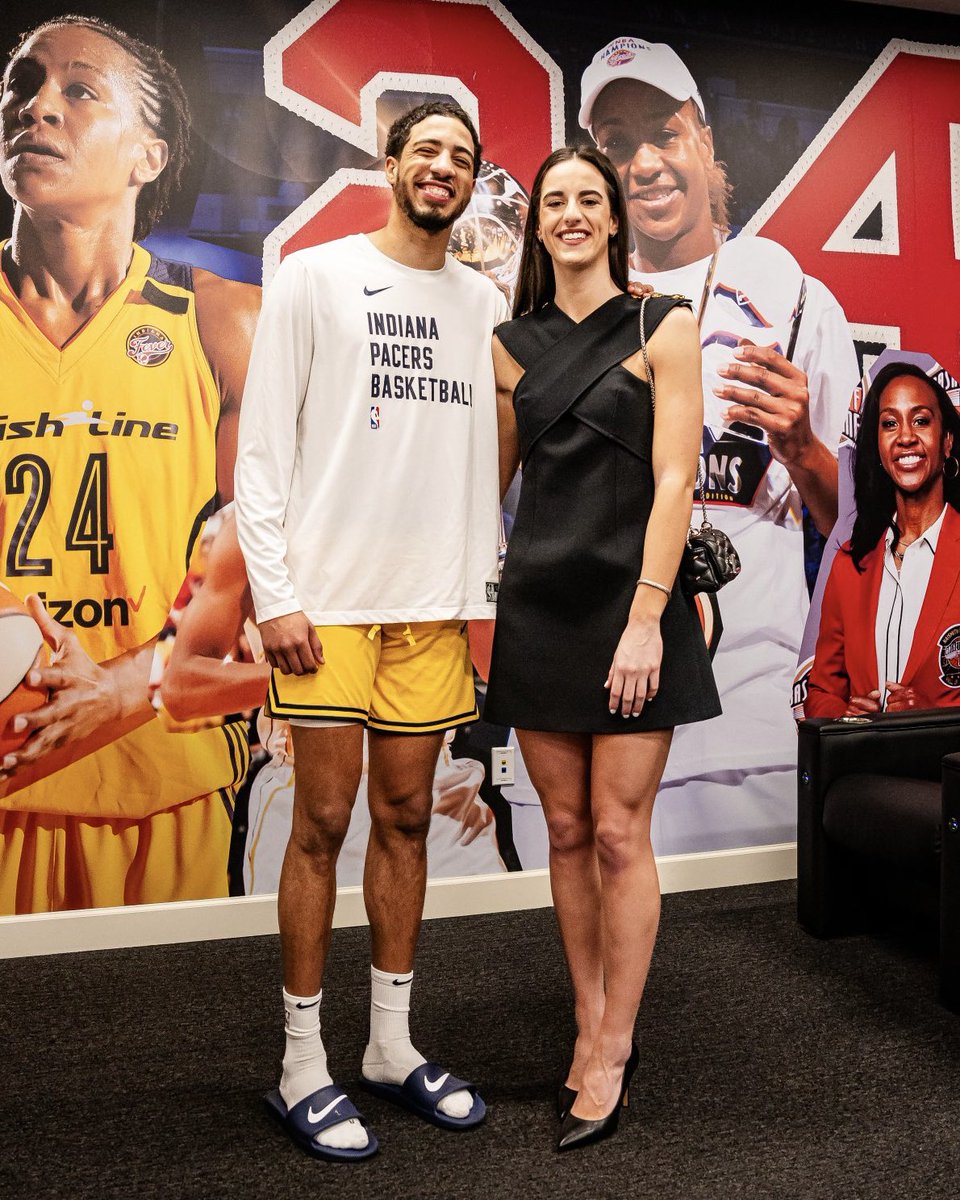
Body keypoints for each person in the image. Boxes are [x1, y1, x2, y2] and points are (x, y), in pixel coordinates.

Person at [233, 100, 509, 1161]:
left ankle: (390, 1047)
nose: (442, 167)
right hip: (327, 604)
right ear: (389, 164)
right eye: (426, 150)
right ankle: (303, 1061)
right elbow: (262, 452)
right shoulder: (315, 275)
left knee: (405, 822)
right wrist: (277, 595)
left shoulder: (483, 301)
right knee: (320, 823)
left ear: (472, 183)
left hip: (429, 604)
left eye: (462, 158)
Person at [484, 145, 720, 1152]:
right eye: (556, 203)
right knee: (567, 832)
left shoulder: (665, 323)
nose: (573, 214)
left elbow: (676, 480)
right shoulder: (507, 342)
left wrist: (644, 618)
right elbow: (490, 491)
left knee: (622, 835)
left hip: (635, 611)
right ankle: (588, 1020)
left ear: (616, 220)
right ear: (537, 225)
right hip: (539, 610)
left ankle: (616, 1044)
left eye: (591, 199)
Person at [0, 15, 259, 913]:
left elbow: (283, 570)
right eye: (22, 84)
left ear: (148, 156)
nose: (35, 106)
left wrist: (126, 683)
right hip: (4, 781)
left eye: (77, 89)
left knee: (154, 1049)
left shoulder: (223, 323)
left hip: (159, 782)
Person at [578, 36, 860, 853]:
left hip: (755, 709)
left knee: (755, 968)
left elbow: (858, 525)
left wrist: (802, 445)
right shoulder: (575, 306)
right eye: (618, 144)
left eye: (662, 133)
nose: (646, 162)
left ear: (703, 138)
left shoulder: (793, 294)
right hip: (612, 696)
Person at [159, 510, 503, 891]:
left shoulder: (443, 498)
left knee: (486, 944)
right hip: (306, 785)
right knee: (315, 950)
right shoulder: (258, 517)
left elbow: (491, 666)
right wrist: (323, 677)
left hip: (436, 787)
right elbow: (183, 687)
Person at [806, 364, 960, 716]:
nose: (905, 436)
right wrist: (846, 717)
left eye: (921, 421)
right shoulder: (850, 563)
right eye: (890, 424)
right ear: (877, 447)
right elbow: (820, 692)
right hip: (864, 770)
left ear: (947, 441)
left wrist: (929, 717)